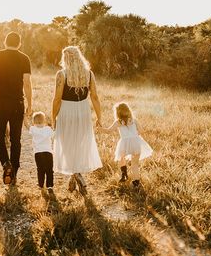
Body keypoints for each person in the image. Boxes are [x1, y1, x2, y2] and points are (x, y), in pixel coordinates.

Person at [0, 31, 32, 186]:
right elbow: (27, 83)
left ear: (5, 42)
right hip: (18, 104)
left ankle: (5, 164)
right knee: (16, 140)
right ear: (19, 43)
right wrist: (30, 104)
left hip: (0, 104)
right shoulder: (24, 58)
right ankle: (14, 172)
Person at [52, 46, 102, 195]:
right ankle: (75, 176)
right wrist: (99, 117)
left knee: (67, 143)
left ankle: (77, 174)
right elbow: (95, 97)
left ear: (65, 58)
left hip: (67, 111)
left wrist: (53, 117)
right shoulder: (89, 74)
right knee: (80, 143)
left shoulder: (62, 74)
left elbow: (57, 99)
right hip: (83, 111)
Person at [99, 102, 152, 188]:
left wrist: (100, 129)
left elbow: (109, 131)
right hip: (136, 142)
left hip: (124, 143)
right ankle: (136, 182)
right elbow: (142, 131)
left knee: (121, 158)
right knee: (135, 164)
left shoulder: (118, 122)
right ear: (128, 110)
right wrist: (134, 135)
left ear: (117, 113)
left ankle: (124, 174)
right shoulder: (134, 120)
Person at [29, 111, 55, 198]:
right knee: (49, 170)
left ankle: (40, 185)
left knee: (40, 169)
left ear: (33, 121)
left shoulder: (33, 129)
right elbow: (53, 134)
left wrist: (24, 117)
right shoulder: (48, 129)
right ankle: (50, 186)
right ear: (44, 120)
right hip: (48, 152)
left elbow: (26, 126)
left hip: (38, 153)